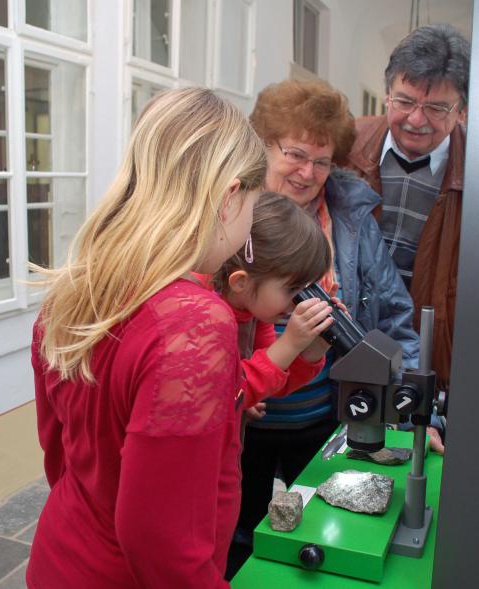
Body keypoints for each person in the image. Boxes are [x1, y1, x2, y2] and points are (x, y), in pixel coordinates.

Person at [26, 87, 267, 589]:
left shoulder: (76, 288)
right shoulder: (194, 323)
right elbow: (162, 543)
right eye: (253, 207)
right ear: (228, 197)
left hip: (64, 554)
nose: (248, 227)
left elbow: (59, 453)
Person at [228, 78, 421, 577]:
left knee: (321, 530)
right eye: (295, 153)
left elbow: (396, 315)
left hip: (320, 418)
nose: (308, 172)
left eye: (323, 159)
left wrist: (410, 405)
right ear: (261, 145)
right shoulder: (226, 220)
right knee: (237, 536)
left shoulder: (351, 220)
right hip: (241, 421)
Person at [347, 25, 469, 423]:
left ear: (462, 111)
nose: (417, 119)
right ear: (387, 96)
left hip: (429, 357)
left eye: (436, 108)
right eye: (405, 101)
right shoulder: (346, 146)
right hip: (346, 347)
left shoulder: (472, 172)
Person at [211, 191, 335, 416]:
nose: (297, 301)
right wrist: (289, 343)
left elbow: (273, 385)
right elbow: (225, 393)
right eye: (292, 289)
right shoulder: (204, 316)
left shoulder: (255, 311)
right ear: (241, 282)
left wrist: (312, 351)